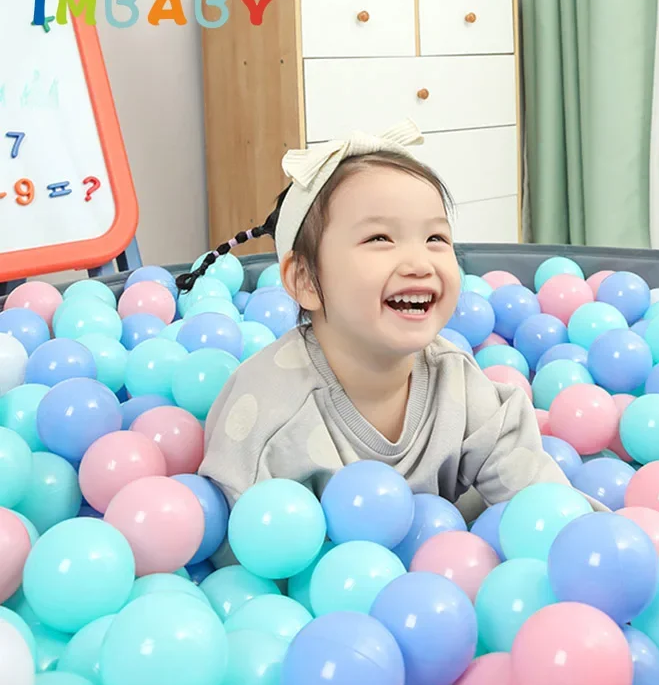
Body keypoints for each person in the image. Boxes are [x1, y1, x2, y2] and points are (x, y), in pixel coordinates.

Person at [179, 118, 606, 520]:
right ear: (306, 280)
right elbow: (248, 549)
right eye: (380, 238)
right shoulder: (271, 418)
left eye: (435, 238)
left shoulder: (455, 381)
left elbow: (541, 498)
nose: (419, 262)